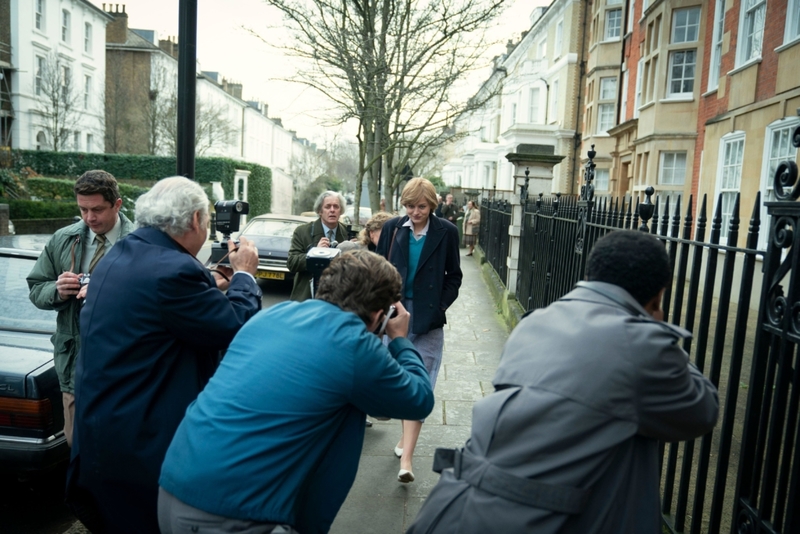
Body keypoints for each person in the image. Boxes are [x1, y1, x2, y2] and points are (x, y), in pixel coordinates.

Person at [407, 230, 719, 533]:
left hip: (459, 506)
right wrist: (655, 331)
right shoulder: (640, 346)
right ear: (657, 295)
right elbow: (702, 409)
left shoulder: (535, 322)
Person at [157, 250, 434, 534]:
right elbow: (419, 400)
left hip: (174, 490)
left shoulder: (274, 315)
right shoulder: (353, 344)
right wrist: (400, 340)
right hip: (235, 515)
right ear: (381, 314)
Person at [67, 177, 263, 534]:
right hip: (143, 451)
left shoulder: (123, 252)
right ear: (194, 221)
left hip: (103, 438)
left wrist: (213, 281)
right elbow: (234, 327)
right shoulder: (174, 271)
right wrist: (245, 277)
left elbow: (160, 307)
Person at [27, 170, 135, 447]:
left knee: (121, 450)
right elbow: (37, 288)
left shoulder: (140, 243)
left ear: (118, 204)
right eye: (83, 209)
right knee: (77, 446)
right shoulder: (63, 238)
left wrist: (110, 294)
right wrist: (57, 290)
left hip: (124, 368)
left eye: (97, 209)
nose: (89, 218)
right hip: (75, 365)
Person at [376, 177, 462, 483]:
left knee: (421, 381)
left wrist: (439, 308)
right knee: (395, 378)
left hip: (427, 319)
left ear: (432, 205)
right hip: (394, 314)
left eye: (421, 206)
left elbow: (455, 275)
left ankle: (408, 459)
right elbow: (380, 267)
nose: (415, 211)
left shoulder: (447, 232)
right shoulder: (392, 228)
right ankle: (403, 439)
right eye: (410, 206)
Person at [287, 190, 348, 301]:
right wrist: (314, 252)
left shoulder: (347, 233)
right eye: (327, 207)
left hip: (338, 298)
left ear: (341, 211)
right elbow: (292, 263)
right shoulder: (302, 232)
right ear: (320, 211)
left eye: (336, 206)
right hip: (309, 296)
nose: (332, 210)